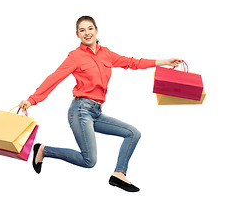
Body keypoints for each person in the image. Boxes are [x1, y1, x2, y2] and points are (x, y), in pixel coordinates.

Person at [19, 16, 182, 192]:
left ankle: (119, 174)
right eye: (82, 30)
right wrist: (32, 100)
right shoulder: (75, 56)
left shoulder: (106, 54)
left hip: (96, 112)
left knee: (133, 133)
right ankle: (44, 150)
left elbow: (133, 63)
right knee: (89, 161)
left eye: (90, 29)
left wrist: (164, 62)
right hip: (80, 110)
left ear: (96, 30)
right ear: (77, 35)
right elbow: (54, 78)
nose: (87, 33)